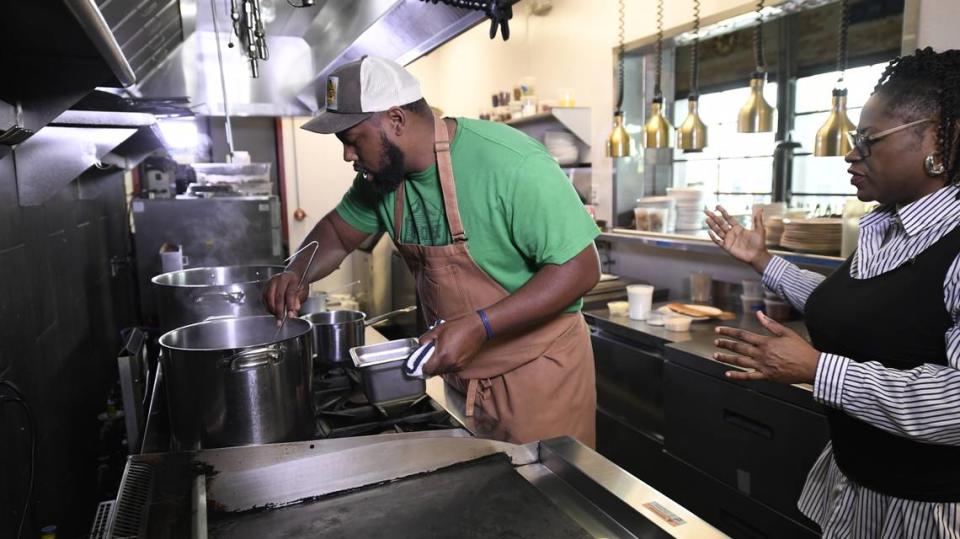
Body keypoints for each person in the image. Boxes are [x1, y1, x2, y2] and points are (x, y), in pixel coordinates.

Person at [263, 56, 600, 446]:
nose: (348, 156)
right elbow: (337, 232)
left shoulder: (510, 164)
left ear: (396, 120)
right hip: (461, 379)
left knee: (547, 501)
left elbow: (579, 268)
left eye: (354, 141)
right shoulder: (382, 182)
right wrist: (296, 271)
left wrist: (480, 325)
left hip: (539, 377)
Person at [704, 47, 960, 536]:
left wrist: (819, 369)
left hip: (928, 511)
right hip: (857, 489)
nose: (850, 153)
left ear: (940, 140)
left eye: (868, 139)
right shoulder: (886, 227)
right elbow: (854, 308)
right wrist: (762, 259)